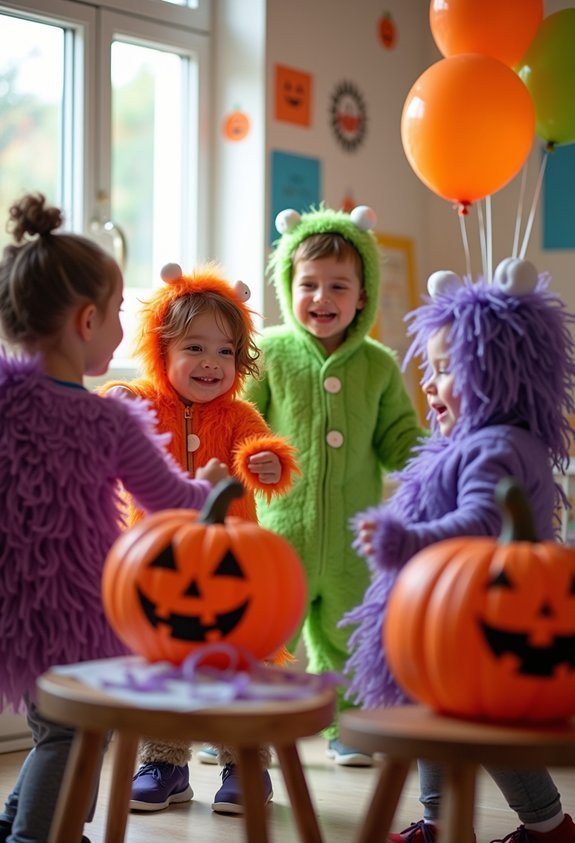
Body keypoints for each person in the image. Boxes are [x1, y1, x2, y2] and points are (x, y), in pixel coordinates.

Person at [0, 193, 230, 843]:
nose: (120, 333)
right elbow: (169, 501)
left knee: (51, 725)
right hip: (72, 606)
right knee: (71, 732)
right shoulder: (107, 419)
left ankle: (14, 820)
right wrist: (211, 484)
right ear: (87, 319)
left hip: (6, 598)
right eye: (118, 316)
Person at [342, 260, 575, 843]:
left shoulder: (493, 447)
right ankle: (482, 823)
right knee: (450, 723)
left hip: (478, 616)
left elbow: (478, 522)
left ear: (496, 375)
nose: (428, 384)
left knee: (457, 725)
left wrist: (407, 540)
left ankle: (492, 825)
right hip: (476, 612)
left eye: (445, 370)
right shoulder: (505, 440)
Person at [100, 261, 299, 813]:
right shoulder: (143, 401)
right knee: (163, 661)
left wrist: (265, 461)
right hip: (158, 561)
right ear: (161, 351)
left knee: (242, 660)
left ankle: (244, 763)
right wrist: (115, 406)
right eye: (195, 348)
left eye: (225, 351)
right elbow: (110, 423)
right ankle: (164, 762)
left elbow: (267, 449)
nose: (211, 362)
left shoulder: (238, 415)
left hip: (235, 564)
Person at [241, 204, 424, 765]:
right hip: (281, 532)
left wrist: (432, 463)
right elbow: (242, 421)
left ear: (363, 295)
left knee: (349, 635)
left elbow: (398, 434)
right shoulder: (270, 353)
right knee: (269, 633)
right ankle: (247, 728)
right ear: (287, 286)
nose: (321, 298)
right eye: (309, 284)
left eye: (338, 286)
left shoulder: (378, 364)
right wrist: (255, 457)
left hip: (352, 538)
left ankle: (346, 724)